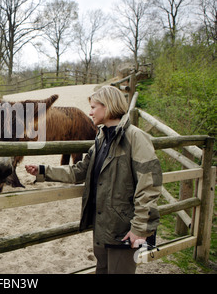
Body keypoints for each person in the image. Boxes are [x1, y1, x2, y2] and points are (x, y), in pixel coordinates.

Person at [25, 86, 162, 274]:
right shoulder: (101, 139)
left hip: (124, 230)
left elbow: (150, 185)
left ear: (108, 107)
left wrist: (139, 228)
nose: (89, 112)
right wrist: (43, 171)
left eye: (93, 107)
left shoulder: (135, 138)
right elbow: (79, 171)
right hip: (101, 227)